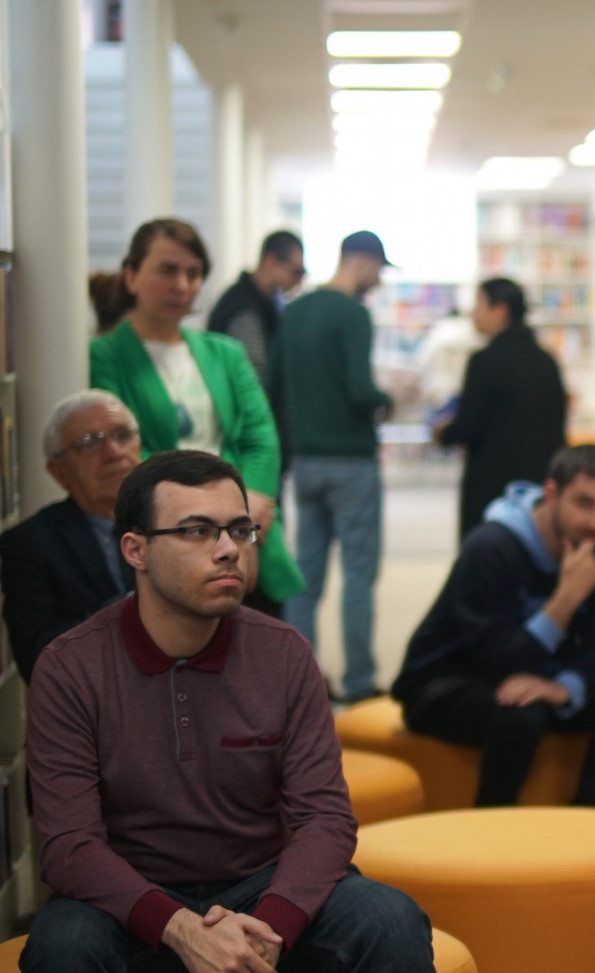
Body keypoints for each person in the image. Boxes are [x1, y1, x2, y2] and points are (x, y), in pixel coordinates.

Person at [19, 450, 441, 973]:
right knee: (59, 954)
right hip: (131, 903)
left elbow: (326, 819)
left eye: (239, 530)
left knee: (391, 922)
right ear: (135, 550)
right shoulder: (71, 666)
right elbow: (68, 845)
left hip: (257, 887)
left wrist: (264, 927)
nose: (228, 550)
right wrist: (182, 929)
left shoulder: (285, 653)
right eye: (197, 531)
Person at [392, 445, 595, 807]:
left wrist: (566, 688)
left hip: (534, 678)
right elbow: (498, 660)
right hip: (445, 683)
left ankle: (590, 820)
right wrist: (565, 601)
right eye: (584, 504)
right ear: (552, 493)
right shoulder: (491, 547)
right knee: (520, 714)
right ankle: (492, 829)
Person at [89, 218, 304, 620]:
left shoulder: (224, 352)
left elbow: (261, 434)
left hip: (248, 529)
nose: (183, 285)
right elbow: (123, 451)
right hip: (164, 533)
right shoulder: (105, 356)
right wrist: (212, 516)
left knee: (261, 654)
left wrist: (247, 513)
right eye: (168, 271)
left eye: (194, 273)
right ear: (131, 276)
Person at [268, 229, 395, 703]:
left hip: (305, 460)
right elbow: (362, 390)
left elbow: (274, 383)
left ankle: (302, 682)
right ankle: (360, 682)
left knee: (306, 575)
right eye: (379, 269)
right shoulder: (353, 315)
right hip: (351, 461)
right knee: (359, 574)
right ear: (361, 261)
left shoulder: (294, 310)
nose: (378, 280)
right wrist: (389, 400)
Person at [0, 392, 143, 681]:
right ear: (59, 471)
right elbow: (37, 657)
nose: (114, 452)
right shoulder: (29, 544)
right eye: (89, 443)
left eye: (121, 435)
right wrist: (135, 606)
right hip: (92, 709)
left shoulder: (176, 521)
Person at [435, 277, 568, 540]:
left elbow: (469, 425)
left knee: (487, 560)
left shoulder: (484, 360)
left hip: (491, 484)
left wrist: (443, 433)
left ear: (500, 310)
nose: (473, 313)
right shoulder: (546, 360)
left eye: (479, 305)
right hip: (540, 483)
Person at [206, 231, 306, 378]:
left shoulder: (265, 301)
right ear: (270, 260)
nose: (299, 280)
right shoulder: (244, 307)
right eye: (296, 272)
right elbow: (253, 373)